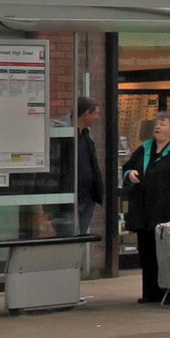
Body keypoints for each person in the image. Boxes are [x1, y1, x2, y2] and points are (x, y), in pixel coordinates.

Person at [124, 110, 170, 303]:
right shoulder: (144, 149)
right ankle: (150, 293)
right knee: (146, 252)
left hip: (168, 211)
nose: (157, 126)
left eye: (163, 124)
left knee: (167, 253)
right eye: (157, 123)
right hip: (144, 211)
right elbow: (128, 168)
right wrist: (130, 174)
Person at [74, 96, 104, 263]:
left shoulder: (86, 135)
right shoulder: (66, 133)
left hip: (87, 197)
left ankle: (75, 270)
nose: (97, 117)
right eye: (96, 113)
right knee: (68, 239)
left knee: (80, 238)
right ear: (86, 113)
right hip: (71, 198)